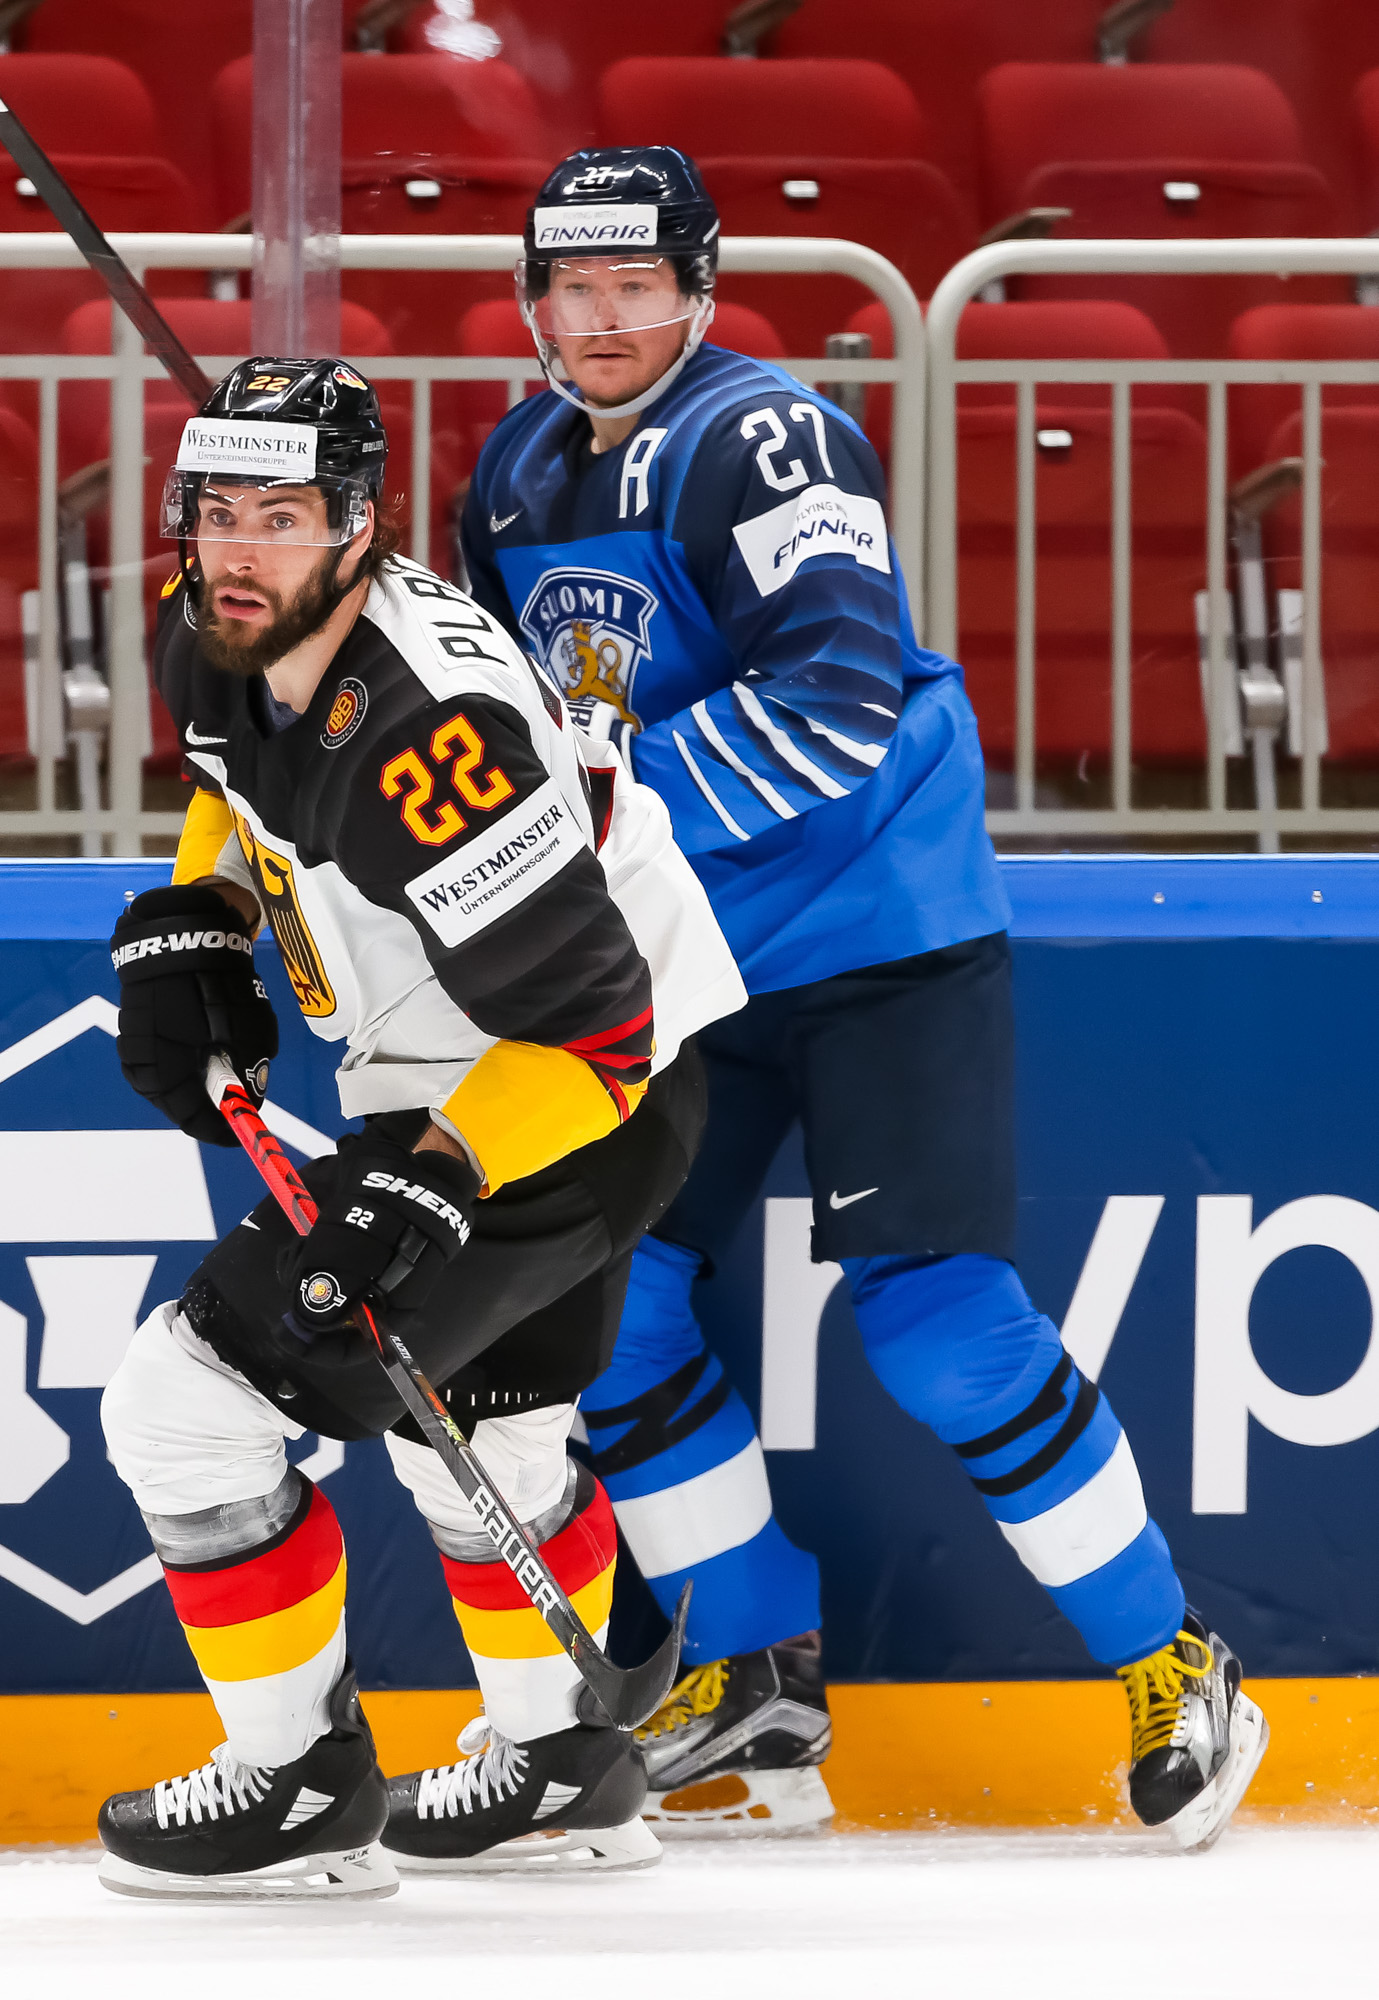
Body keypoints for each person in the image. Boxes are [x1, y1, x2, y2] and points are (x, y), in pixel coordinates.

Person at [459, 146, 1270, 1849]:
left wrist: (588, 811)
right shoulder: (519, 467)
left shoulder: (764, 436)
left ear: (698, 281)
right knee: (616, 1306)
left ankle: (1174, 1660)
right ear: (533, 293)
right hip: (693, 955)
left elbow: (830, 701)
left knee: (938, 1320)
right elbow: (499, 712)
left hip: (876, 931)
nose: (599, 319)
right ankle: (755, 1675)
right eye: (569, 285)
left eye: (634, 283)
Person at [94, 354, 745, 1897]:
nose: (236, 549)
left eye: (282, 515)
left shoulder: (428, 741)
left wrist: (431, 1186)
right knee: (494, 1431)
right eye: (215, 510)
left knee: (181, 1410)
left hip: (562, 1093)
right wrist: (201, 916)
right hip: (514, 1069)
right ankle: (566, 1771)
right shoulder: (223, 624)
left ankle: (300, 1788)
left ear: (364, 526)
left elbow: (595, 1028)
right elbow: (234, 785)